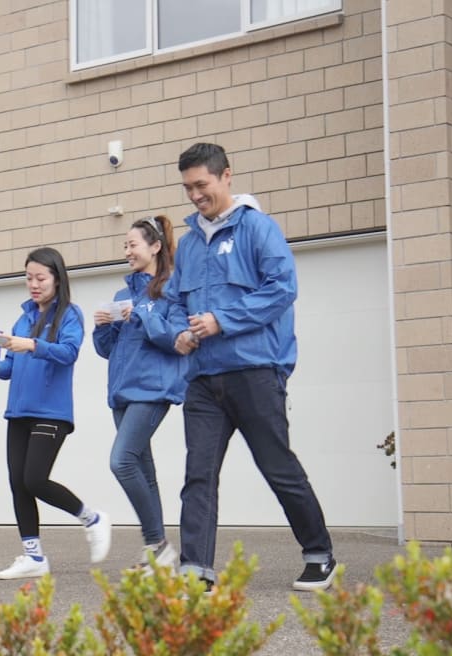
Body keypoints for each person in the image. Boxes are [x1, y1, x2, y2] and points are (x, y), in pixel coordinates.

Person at [164, 142, 337, 592]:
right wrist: (179, 333)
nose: (195, 195)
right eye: (187, 188)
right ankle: (196, 568)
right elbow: (176, 303)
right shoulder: (187, 245)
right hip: (203, 378)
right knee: (198, 474)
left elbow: (283, 288)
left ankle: (319, 553)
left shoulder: (259, 229)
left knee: (277, 466)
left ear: (226, 176)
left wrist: (222, 319)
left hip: (255, 370)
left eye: (201, 185)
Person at [0, 247, 111, 580]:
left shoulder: (69, 315)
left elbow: (68, 353)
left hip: (52, 411)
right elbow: (11, 369)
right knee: (18, 483)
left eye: (40, 278)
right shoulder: (23, 318)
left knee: (34, 478)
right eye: (29, 278)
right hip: (18, 411)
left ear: (57, 280)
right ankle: (34, 557)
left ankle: (91, 518)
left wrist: (30, 345)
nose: (33, 284)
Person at [92, 215, 186, 570]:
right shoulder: (122, 294)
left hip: (153, 387)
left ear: (155, 246)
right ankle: (155, 555)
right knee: (144, 472)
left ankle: (157, 544)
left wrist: (142, 313)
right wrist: (102, 328)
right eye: (125, 246)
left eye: (133, 244)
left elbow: (174, 338)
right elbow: (107, 350)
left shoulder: (172, 288)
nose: (127, 251)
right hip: (122, 390)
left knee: (121, 460)